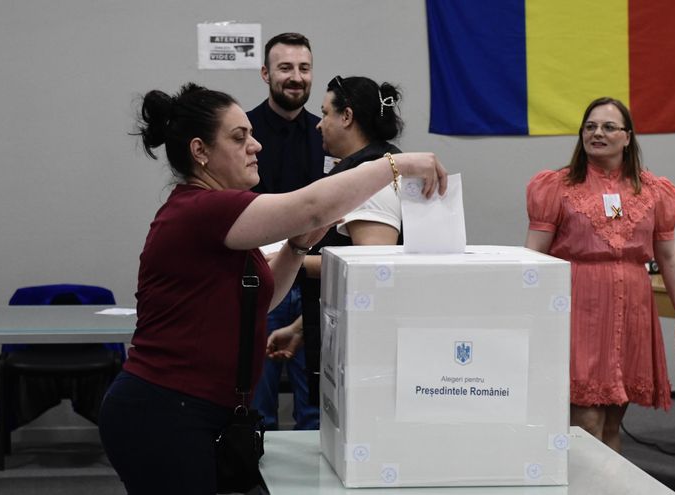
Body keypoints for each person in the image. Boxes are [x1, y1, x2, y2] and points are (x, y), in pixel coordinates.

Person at [97, 82, 447, 495]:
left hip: (195, 409)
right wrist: (395, 164)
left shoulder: (220, 215)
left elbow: (262, 298)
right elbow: (310, 205)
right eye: (239, 137)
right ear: (200, 151)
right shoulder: (201, 208)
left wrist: (300, 244)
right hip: (164, 409)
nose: (256, 146)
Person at [524, 97, 675, 452]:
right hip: (577, 309)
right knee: (586, 422)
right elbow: (532, 257)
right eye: (590, 127)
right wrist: (530, 314)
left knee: (613, 423)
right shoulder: (556, 187)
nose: (597, 133)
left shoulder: (652, 191)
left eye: (607, 127)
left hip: (632, 308)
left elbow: (668, 255)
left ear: (628, 137)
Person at [264, 76, 406, 405]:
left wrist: (288, 261)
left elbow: (373, 267)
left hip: (368, 354)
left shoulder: (372, 176)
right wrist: (301, 327)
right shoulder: (363, 170)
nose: (318, 124)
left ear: (347, 117)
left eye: (325, 113)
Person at [245, 33, 324, 431]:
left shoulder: (326, 134)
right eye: (286, 68)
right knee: (255, 404)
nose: (296, 77)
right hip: (258, 279)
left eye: (304, 68)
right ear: (265, 73)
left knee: (315, 410)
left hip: (313, 281)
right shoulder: (243, 133)